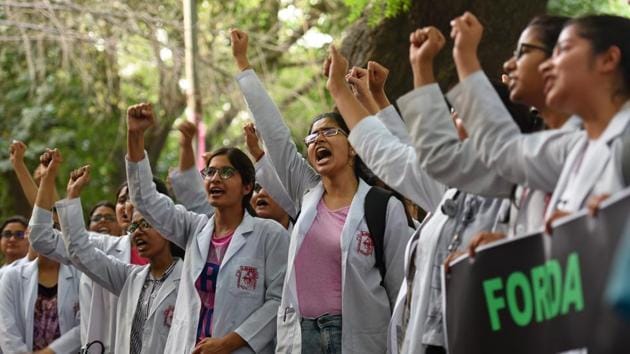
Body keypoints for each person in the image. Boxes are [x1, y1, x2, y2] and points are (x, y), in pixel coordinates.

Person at [230, 29, 412, 353]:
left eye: (329, 131)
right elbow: (274, 133)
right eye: (311, 138)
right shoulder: (306, 192)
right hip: (302, 338)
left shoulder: (384, 209)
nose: (318, 140)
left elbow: (402, 294)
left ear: (354, 146)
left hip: (358, 340)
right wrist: (243, 64)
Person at [125, 103, 289, 354]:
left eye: (226, 172)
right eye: (210, 172)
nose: (214, 179)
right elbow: (145, 199)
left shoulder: (269, 235)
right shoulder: (193, 228)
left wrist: (228, 343)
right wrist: (135, 135)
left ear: (247, 186)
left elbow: (277, 302)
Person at [49, 159, 184, 354]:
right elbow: (80, 251)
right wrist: (72, 195)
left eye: (146, 224)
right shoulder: (130, 277)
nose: (137, 233)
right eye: (134, 227)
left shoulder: (190, 278)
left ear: (168, 226)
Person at [0, 149, 81, 354]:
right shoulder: (10, 275)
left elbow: (85, 324)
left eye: (53, 232)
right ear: (31, 235)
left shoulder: (81, 275)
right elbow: (6, 329)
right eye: (37, 232)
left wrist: (50, 353)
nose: (47, 238)